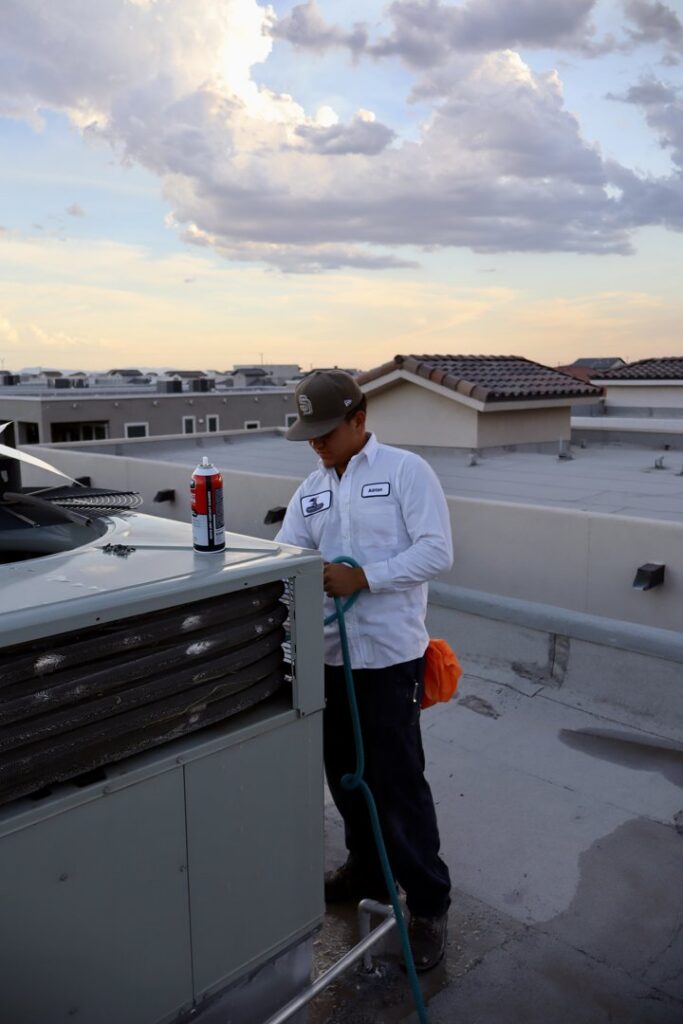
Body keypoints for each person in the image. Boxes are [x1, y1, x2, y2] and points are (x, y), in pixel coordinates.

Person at [276, 368, 453, 971]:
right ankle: (366, 868)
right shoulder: (311, 489)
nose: (317, 445)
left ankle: (428, 906)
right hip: (328, 660)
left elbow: (437, 550)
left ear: (359, 420)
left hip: (387, 659)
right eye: (310, 435)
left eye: (326, 432)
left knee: (398, 784)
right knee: (345, 774)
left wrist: (366, 577)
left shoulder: (406, 472)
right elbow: (287, 553)